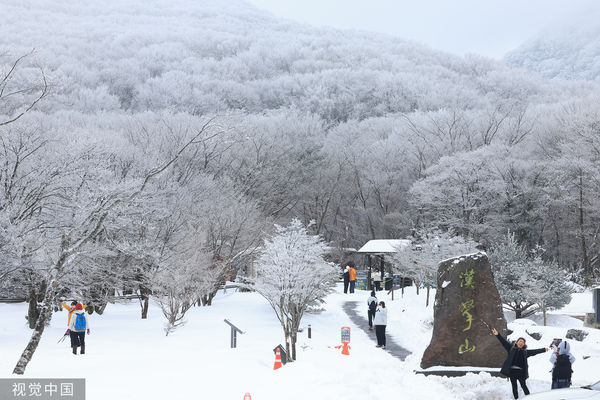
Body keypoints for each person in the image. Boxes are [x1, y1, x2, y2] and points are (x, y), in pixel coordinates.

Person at [492, 328, 548, 399]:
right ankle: (516, 398)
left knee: (523, 386)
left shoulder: (525, 352)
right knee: (514, 387)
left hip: (520, 373)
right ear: (516, 342)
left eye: (523, 342)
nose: (521, 342)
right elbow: (503, 342)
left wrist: (543, 350)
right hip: (512, 372)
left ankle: (529, 398)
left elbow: (535, 351)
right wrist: (497, 334)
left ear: (524, 344)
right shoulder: (511, 348)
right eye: (520, 341)